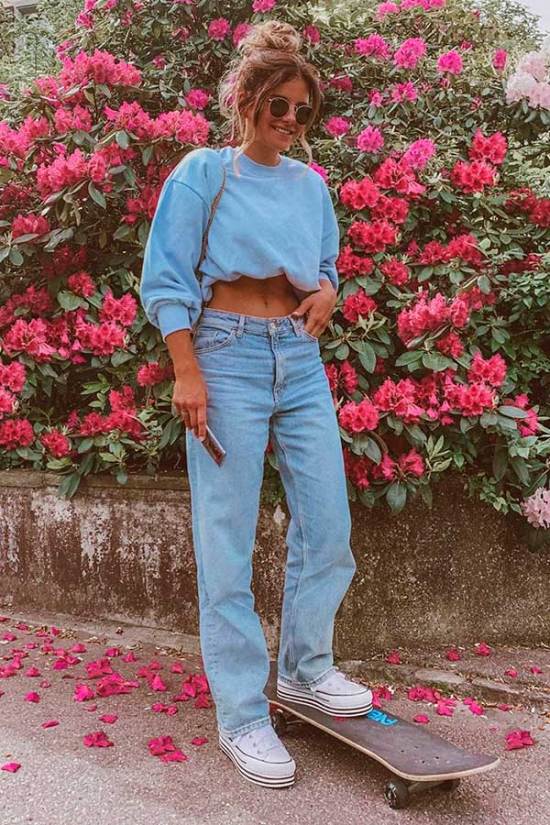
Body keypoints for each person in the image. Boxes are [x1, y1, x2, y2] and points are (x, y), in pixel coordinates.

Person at [139, 20, 373, 789]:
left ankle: (306, 669)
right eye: (277, 105)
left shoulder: (310, 185)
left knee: (328, 523)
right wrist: (187, 370)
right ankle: (243, 713)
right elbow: (167, 278)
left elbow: (326, 265)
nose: (289, 122)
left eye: (302, 110)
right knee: (227, 542)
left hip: (299, 362)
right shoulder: (206, 172)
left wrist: (329, 294)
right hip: (227, 356)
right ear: (246, 101)